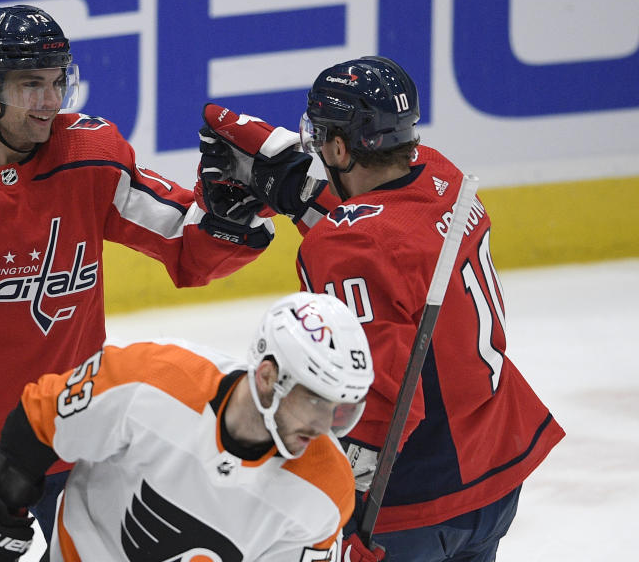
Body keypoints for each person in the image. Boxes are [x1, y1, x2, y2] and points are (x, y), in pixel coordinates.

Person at [0, 4, 274, 562]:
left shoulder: (91, 156)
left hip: (75, 440)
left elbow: (185, 246)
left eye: (59, 81)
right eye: (32, 84)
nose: (52, 101)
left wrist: (231, 216)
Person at [198, 56, 565, 561]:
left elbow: (380, 398)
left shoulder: (350, 248)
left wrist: (344, 514)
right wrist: (291, 188)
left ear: (340, 147)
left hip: (419, 497)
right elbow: (389, 237)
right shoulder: (443, 175)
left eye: (322, 137)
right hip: (497, 465)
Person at [0, 291, 375, 562]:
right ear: (267, 376)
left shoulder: (327, 489)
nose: (324, 426)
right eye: (316, 400)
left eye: (339, 409)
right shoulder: (148, 383)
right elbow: (41, 417)